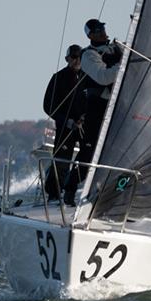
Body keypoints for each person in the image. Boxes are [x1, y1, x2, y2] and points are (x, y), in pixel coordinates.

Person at [63, 18, 123, 206]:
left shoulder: (118, 48)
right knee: (89, 154)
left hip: (118, 106)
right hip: (96, 107)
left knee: (119, 150)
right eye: (97, 29)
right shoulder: (88, 56)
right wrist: (123, 65)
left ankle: (114, 195)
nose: (102, 31)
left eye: (103, 27)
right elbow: (103, 77)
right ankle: (70, 188)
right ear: (90, 35)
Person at [42, 44, 86, 200]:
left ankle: (72, 189)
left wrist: (84, 118)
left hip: (86, 127)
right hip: (65, 128)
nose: (76, 60)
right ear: (67, 59)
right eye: (73, 57)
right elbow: (48, 106)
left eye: (79, 57)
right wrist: (67, 122)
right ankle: (53, 194)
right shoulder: (58, 78)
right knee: (61, 161)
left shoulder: (88, 76)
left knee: (89, 157)